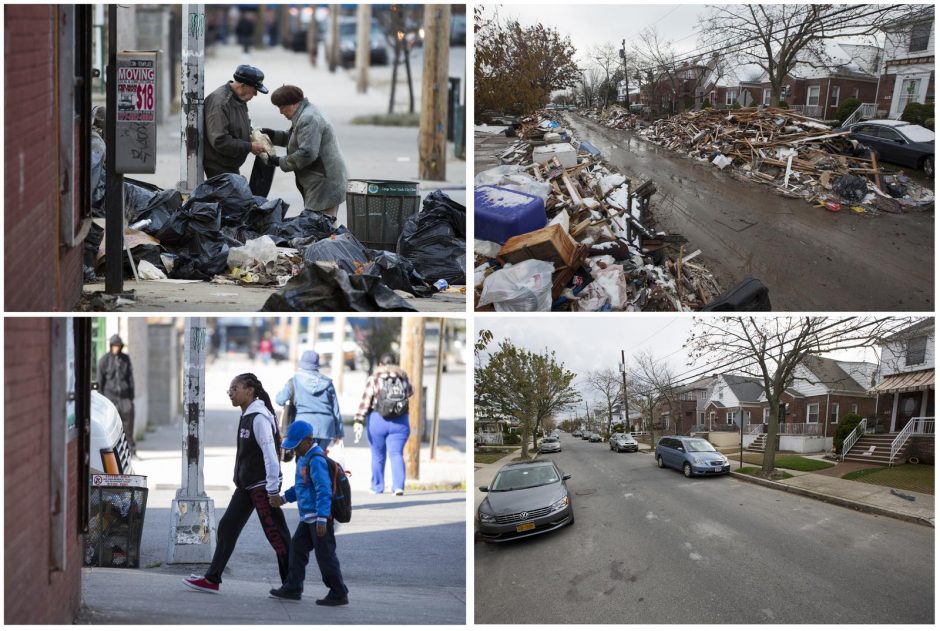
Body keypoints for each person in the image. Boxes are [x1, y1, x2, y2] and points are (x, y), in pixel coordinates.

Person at [183, 373, 292, 594]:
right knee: (227, 527)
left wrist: (272, 489)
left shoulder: (259, 417)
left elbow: (271, 455)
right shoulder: (247, 414)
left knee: (276, 536)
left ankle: (292, 584)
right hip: (246, 486)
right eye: (229, 389)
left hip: (261, 487)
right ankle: (212, 579)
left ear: (249, 390)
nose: (230, 392)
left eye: (235, 388)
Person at [268, 421, 349, 606]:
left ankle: (338, 592)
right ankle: (293, 588)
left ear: (307, 441)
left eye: (296, 446)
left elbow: (324, 490)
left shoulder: (316, 460)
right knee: (297, 549)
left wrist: (322, 518)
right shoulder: (304, 458)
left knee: (325, 556)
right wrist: (283, 498)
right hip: (308, 518)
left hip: (320, 519)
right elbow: (300, 487)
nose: (294, 450)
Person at [261, 85, 348, 218]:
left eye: (281, 107)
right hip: (322, 178)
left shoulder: (309, 118)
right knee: (325, 225)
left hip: (324, 181)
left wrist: (280, 161)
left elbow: (307, 152)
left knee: (320, 225)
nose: (280, 112)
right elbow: (296, 139)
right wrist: (272, 135)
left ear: (294, 104)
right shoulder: (305, 112)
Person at [353, 353, 415, 496]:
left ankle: (377, 487)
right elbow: (411, 392)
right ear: (395, 363)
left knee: (377, 455)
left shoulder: (374, 378)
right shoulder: (403, 377)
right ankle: (398, 486)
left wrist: (358, 420)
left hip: (377, 420)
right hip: (400, 421)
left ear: (380, 365)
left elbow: (366, 400)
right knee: (396, 453)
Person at [203, 65, 268, 179]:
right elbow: (220, 141)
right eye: (254, 90)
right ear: (242, 86)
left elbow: (241, 124)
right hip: (218, 166)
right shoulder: (220, 102)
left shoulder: (239, 97)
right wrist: (249, 147)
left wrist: (254, 136)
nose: (256, 94)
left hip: (229, 164)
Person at [276, 351, 344, 451]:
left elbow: (279, 400)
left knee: (303, 459)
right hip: (325, 428)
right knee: (318, 457)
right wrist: (339, 434)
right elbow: (336, 410)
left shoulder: (294, 381)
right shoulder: (327, 383)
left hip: (303, 426)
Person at [98, 335, 136, 455]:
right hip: (110, 398)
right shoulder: (104, 360)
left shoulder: (125, 359)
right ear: (110, 346)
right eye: (114, 346)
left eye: (118, 346)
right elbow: (100, 381)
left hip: (125, 398)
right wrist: (102, 401)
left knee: (128, 426)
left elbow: (130, 379)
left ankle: (131, 451)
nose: (116, 348)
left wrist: (131, 398)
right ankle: (112, 454)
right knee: (110, 427)